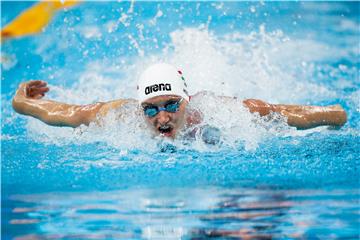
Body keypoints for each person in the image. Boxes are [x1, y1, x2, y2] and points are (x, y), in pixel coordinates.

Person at [12, 63, 347, 139]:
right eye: (151, 108)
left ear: (186, 100)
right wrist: (22, 100)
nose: (162, 117)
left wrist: (336, 115)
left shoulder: (224, 112)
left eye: (172, 104)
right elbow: (61, 113)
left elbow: (289, 113)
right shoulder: (117, 117)